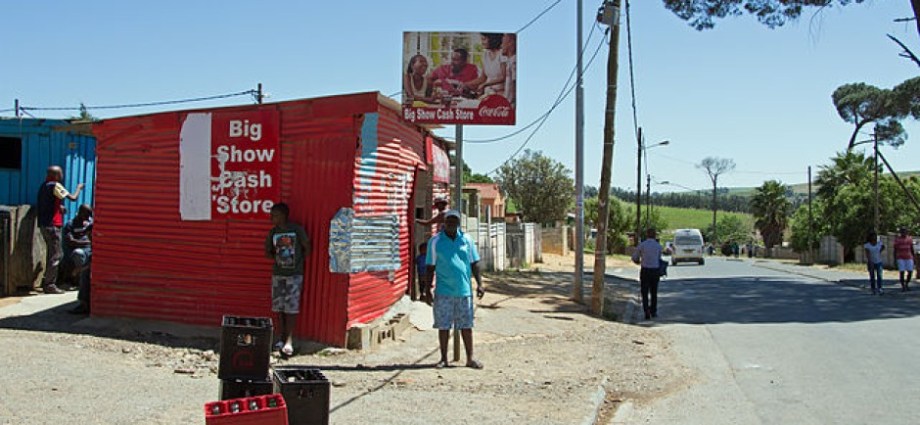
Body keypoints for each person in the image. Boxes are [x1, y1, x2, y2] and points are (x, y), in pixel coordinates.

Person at [425, 210, 485, 369]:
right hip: (443, 291)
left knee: (466, 326)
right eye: (449, 220)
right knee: (444, 326)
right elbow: (430, 267)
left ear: (459, 223)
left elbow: (474, 264)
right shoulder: (435, 241)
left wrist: (480, 284)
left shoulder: (467, 240)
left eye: (455, 220)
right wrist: (426, 289)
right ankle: (444, 358)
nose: (452, 223)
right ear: (444, 222)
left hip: (464, 291)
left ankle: (470, 359)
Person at [265, 203, 310, 357]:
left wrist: (297, 262)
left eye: (275, 215)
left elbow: (307, 247)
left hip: (294, 275)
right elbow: (268, 252)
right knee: (279, 307)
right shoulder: (273, 232)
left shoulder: (296, 230)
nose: (272, 218)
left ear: (284, 215)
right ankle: (280, 338)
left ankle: (289, 341)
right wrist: (279, 258)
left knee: (291, 308)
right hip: (278, 274)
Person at [36, 165, 84, 295]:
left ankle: (48, 281)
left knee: (52, 253)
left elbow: (48, 203)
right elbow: (73, 198)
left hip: (44, 224)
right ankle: (50, 284)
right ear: (56, 175)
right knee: (56, 254)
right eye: (60, 173)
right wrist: (78, 189)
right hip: (52, 226)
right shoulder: (56, 185)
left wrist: (59, 208)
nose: (62, 175)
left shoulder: (44, 186)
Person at [64, 205, 93, 314]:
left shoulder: (89, 224)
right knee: (78, 254)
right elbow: (70, 241)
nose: (88, 217)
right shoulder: (71, 224)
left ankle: (85, 303)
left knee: (85, 274)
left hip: (89, 251)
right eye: (87, 214)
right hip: (80, 250)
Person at [632, 228, 663, 320]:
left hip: (645, 270)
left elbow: (635, 257)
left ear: (647, 235)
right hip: (655, 270)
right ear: (655, 235)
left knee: (644, 291)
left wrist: (638, 261)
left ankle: (646, 311)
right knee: (654, 292)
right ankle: (653, 310)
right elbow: (659, 258)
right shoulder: (658, 246)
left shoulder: (642, 245)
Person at [864, 231, 885, 295]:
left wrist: (879, 252)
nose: (875, 237)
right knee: (872, 276)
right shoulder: (867, 245)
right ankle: (873, 289)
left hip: (879, 261)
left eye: (875, 236)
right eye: (873, 236)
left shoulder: (879, 243)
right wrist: (870, 262)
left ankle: (880, 288)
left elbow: (883, 247)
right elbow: (867, 254)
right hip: (871, 262)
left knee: (879, 275)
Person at [894, 227, 914, 292]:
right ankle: (903, 286)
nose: (904, 232)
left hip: (909, 257)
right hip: (900, 257)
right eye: (902, 231)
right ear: (900, 232)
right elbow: (895, 250)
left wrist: (913, 257)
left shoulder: (910, 239)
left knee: (910, 271)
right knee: (902, 272)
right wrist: (895, 259)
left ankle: (907, 284)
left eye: (905, 231)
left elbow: (911, 248)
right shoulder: (897, 240)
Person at [501, 33, 517, 106]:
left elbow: (514, 83)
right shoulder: (509, 61)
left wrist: (512, 101)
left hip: (511, 104)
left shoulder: (514, 61)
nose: (501, 46)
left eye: (503, 43)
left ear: (510, 44)